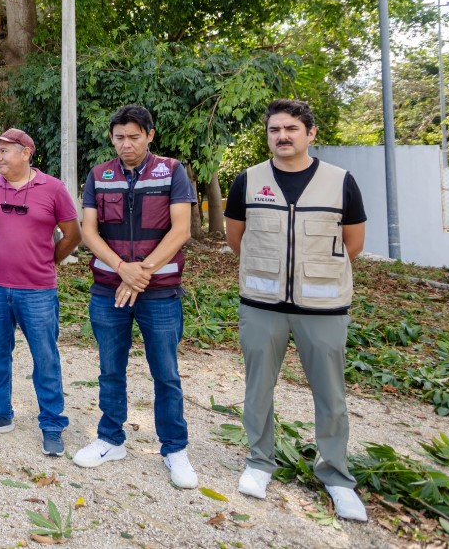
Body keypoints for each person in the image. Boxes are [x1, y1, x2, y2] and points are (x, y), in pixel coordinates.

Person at [224, 99, 367, 521]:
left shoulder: (340, 182)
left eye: (291, 128)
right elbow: (237, 239)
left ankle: (336, 476)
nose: (282, 136)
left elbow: (353, 244)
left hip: (323, 308)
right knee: (258, 389)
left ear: (310, 133)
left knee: (331, 394)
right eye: (275, 130)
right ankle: (259, 462)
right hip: (261, 305)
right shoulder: (248, 181)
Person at [72, 105, 200, 488]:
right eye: (119, 137)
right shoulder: (99, 175)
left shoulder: (172, 171)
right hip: (108, 290)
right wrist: (121, 268)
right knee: (110, 369)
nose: (126, 144)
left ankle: (175, 448)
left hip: (159, 293)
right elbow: (89, 232)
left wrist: (140, 272)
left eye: (134, 136)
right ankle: (110, 439)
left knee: (166, 373)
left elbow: (181, 230)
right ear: (111, 138)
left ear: (150, 135)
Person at [0, 128, 81, 456]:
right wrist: (3, 258)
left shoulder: (53, 188)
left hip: (38, 291)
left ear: (26, 153)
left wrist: (48, 260)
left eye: (5, 150)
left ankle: (52, 423)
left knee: (45, 358)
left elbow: (73, 234)